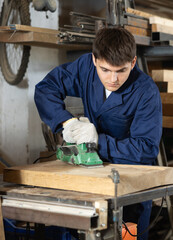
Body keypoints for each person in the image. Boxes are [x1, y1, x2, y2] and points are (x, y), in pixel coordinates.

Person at [34, 27, 162, 239]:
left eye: (121, 70)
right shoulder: (85, 67)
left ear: (132, 62)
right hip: (92, 173)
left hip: (131, 184)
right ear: (94, 60)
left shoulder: (146, 91)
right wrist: (67, 123)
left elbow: (146, 148)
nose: (113, 79)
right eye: (105, 70)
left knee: (127, 236)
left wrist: (97, 141)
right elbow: (46, 88)